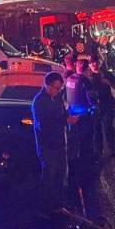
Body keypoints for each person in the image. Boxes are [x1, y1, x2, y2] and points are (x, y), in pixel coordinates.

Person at [32, 72, 78, 211]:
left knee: (61, 175)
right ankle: (45, 207)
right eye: (56, 88)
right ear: (47, 85)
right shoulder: (39, 102)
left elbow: (62, 113)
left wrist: (68, 116)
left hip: (59, 143)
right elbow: (44, 125)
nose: (58, 91)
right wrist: (65, 121)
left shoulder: (57, 98)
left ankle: (59, 204)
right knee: (49, 177)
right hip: (47, 146)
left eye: (60, 88)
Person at [90, 58, 115, 158]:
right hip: (95, 106)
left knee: (108, 127)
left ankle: (112, 148)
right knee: (96, 129)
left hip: (107, 104)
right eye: (93, 62)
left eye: (97, 62)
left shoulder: (107, 74)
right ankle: (99, 151)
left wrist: (109, 83)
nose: (95, 64)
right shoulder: (88, 75)